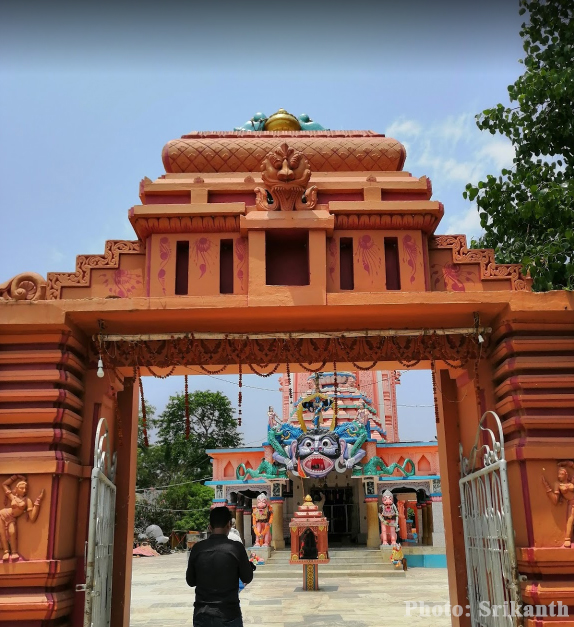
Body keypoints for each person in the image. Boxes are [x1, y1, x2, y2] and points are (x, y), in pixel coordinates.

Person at [186, 506, 255, 627]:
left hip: (202, 613)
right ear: (229, 525)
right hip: (228, 613)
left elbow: (190, 581)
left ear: (210, 526)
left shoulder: (197, 548)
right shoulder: (236, 548)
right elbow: (247, 578)